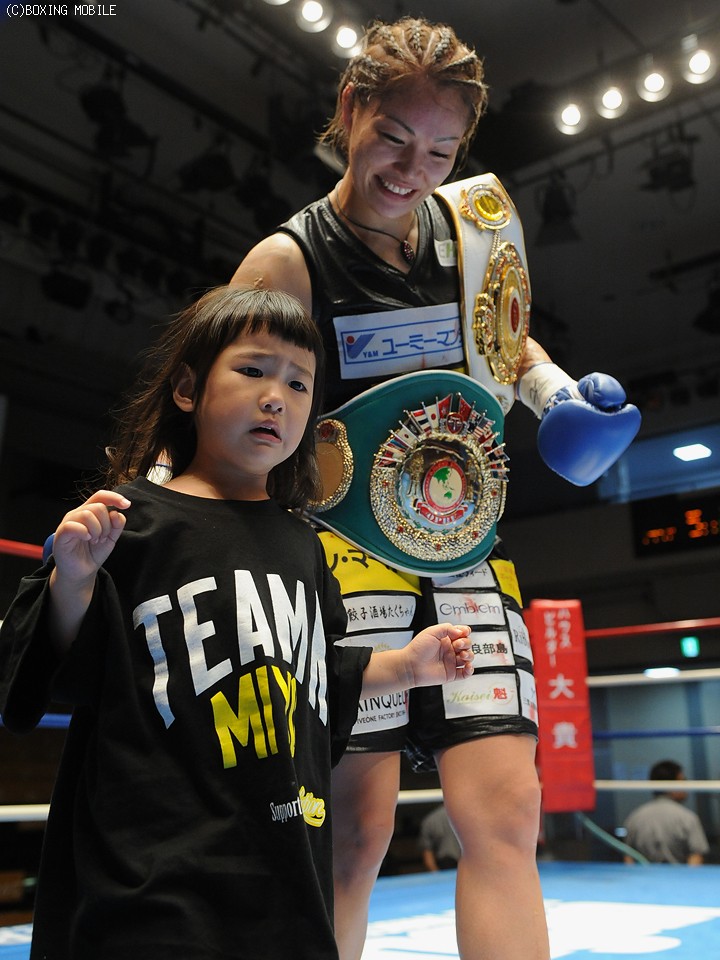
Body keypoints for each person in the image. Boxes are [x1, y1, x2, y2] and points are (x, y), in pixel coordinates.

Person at [231, 18, 639, 960]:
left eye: (441, 151)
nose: (413, 170)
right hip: (341, 559)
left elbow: (507, 341)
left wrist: (556, 395)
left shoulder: (475, 228)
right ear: (351, 110)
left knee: (508, 816)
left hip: (469, 551)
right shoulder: (286, 262)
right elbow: (228, 401)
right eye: (394, 139)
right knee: (353, 836)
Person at [0, 285, 475, 960]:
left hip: (283, 872)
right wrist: (73, 577)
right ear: (187, 389)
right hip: (153, 878)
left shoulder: (304, 545)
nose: (276, 397)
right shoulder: (130, 521)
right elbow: (54, 672)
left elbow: (318, 675)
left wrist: (406, 666)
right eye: (252, 370)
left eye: (298, 383)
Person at [623, 760, 710, 865]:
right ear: (672, 786)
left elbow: (628, 857)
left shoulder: (635, 817)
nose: (686, 786)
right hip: (679, 875)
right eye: (683, 781)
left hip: (643, 875)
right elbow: (696, 857)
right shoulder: (687, 818)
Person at [419, 803, 461, 871]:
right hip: (461, 863)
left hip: (445, 864)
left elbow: (428, 856)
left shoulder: (429, 820)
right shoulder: (465, 817)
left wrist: (436, 874)